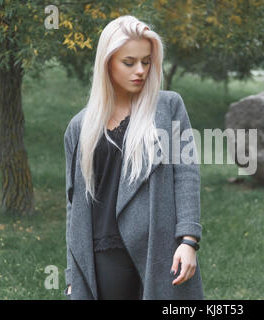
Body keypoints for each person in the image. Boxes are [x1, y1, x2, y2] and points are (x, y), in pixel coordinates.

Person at [63, 15, 203, 300]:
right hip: (102, 256)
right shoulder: (79, 127)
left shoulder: (169, 107)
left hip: (158, 251)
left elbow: (186, 175)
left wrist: (188, 240)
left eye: (146, 61)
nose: (140, 70)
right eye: (129, 62)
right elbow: (74, 206)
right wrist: (72, 274)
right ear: (107, 63)